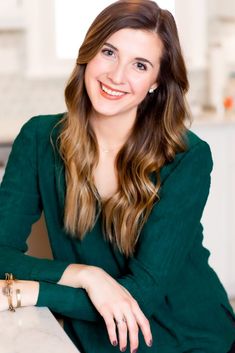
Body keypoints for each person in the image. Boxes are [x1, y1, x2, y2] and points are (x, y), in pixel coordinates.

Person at [0, 0, 235, 352]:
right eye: (109, 52)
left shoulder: (187, 157)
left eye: (140, 65)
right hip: (100, 335)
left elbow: (144, 293)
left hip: (189, 336)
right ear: (89, 52)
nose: (117, 76)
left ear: (156, 83)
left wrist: (28, 290)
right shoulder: (39, 139)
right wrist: (85, 275)